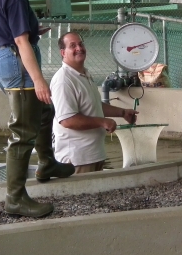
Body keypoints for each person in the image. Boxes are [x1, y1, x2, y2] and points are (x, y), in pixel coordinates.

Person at [0, 0, 75, 218]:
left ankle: (47, 163)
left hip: (2, 60)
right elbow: (21, 43)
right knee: (22, 132)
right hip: (17, 64)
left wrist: (32, 33)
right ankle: (15, 198)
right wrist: (39, 80)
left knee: (45, 111)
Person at [50, 32, 138, 173]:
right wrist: (102, 122)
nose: (79, 48)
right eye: (72, 46)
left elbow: (95, 105)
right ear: (63, 53)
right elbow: (67, 120)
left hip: (94, 155)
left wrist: (122, 113)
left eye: (81, 43)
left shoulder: (84, 74)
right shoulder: (63, 80)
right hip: (77, 159)